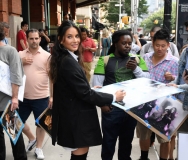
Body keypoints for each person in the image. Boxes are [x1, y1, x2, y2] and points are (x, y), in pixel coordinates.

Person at [48, 20, 125, 160]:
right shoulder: (67, 61)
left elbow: (76, 88)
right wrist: (113, 97)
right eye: (69, 36)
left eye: (77, 36)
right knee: (79, 155)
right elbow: (84, 94)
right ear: (60, 39)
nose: (75, 40)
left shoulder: (66, 58)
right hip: (75, 118)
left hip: (74, 116)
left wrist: (90, 88)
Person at [93, 30, 148, 160]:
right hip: (111, 109)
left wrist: (136, 69)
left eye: (130, 43)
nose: (128, 46)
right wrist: (102, 104)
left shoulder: (138, 60)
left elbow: (147, 81)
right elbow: (96, 86)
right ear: (115, 43)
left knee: (126, 144)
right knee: (108, 144)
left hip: (131, 110)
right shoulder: (104, 60)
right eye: (124, 43)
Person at [133, 29, 179, 160]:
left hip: (165, 105)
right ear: (152, 43)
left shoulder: (174, 62)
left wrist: (172, 78)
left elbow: (180, 82)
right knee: (144, 135)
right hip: (144, 103)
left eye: (163, 46)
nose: (160, 48)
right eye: (157, 45)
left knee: (164, 137)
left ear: (168, 45)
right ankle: (144, 157)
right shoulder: (145, 58)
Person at [18, 29, 53, 159]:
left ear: (40, 39)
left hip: (41, 97)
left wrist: (52, 96)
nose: (34, 41)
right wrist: (20, 62)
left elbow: (52, 78)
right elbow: (10, 70)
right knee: (15, 122)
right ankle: (32, 138)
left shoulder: (47, 56)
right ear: (27, 39)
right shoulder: (20, 54)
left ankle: (38, 148)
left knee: (41, 124)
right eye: (31, 38)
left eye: (36, 38)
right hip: (23, 97)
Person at [0, 23, 27, 160]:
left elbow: (16, 76)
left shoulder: (10, 51)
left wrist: (15, 98)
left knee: (14, 135)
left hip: (7, 103)